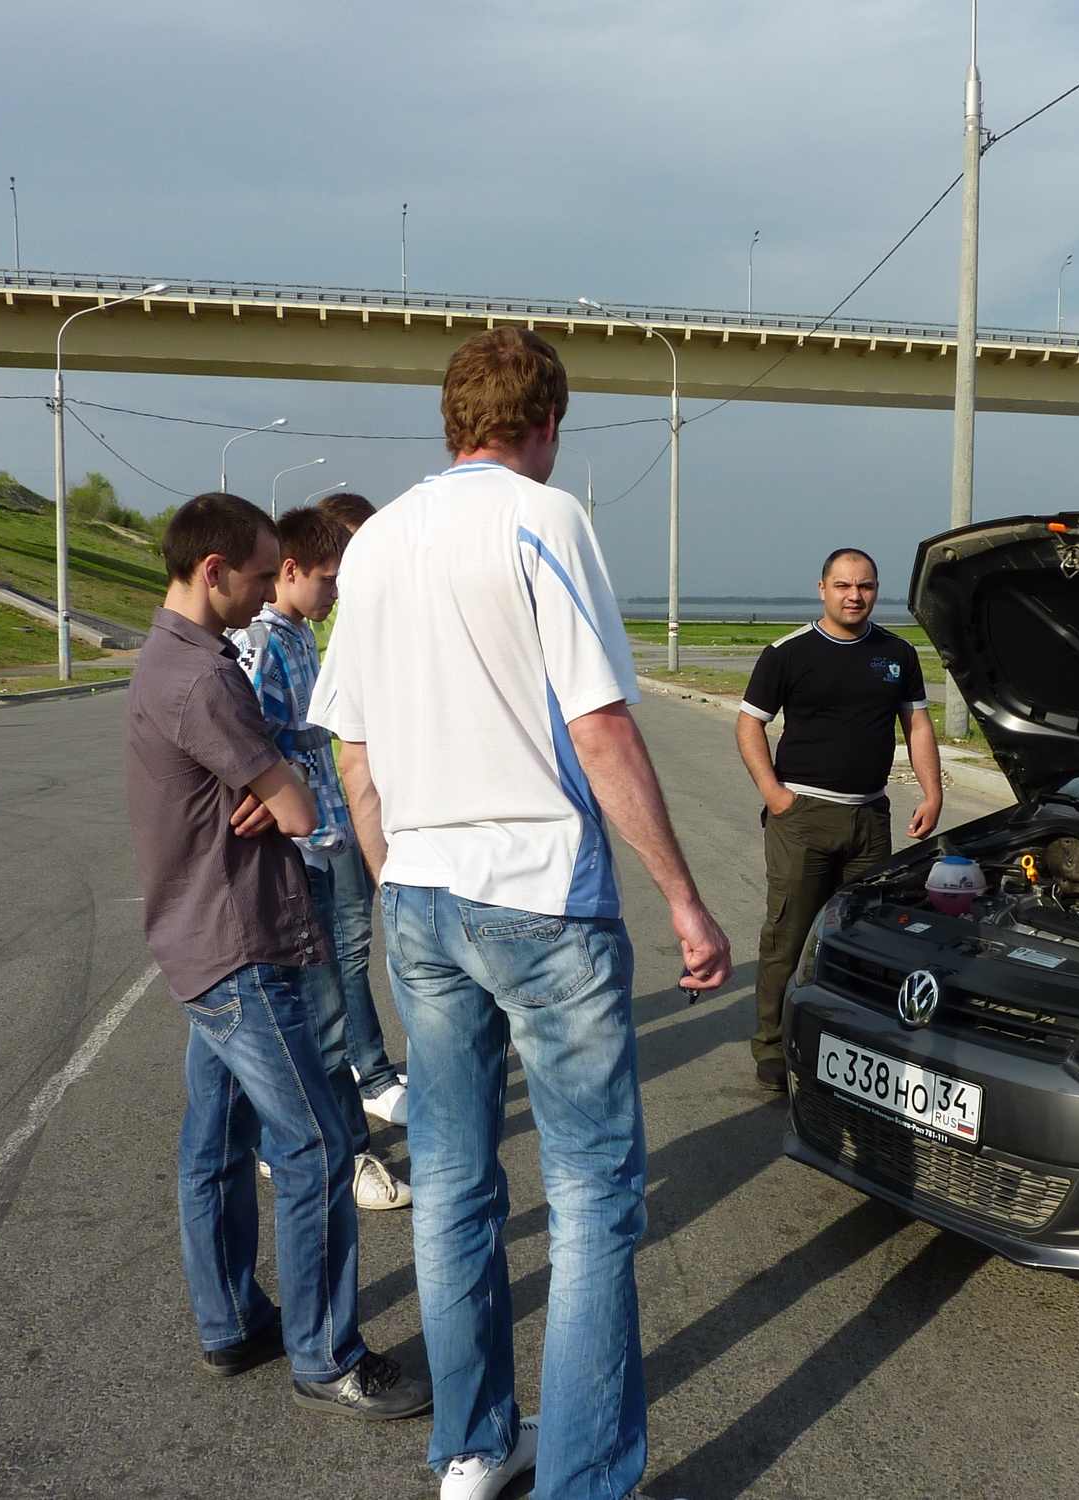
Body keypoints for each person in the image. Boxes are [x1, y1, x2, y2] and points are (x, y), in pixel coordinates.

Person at [312, 327, 731, 1500]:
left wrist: (399, 874)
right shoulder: (544, 519)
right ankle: (583, 1479)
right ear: (544, 423)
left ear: (453, 422)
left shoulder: (375, 542)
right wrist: (684, 898)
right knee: (592, 1198)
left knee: (450, 1186)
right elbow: (599, 729)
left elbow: (352, 750)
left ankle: (472, 1446)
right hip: (539, 892)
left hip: (421, 896)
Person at [122, 491, 431, 1420]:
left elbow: (272, 785)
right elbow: (297, 808)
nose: (268, 593)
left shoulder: (172, 659)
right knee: (320, 1143)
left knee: (216, 1143)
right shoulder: (204, 679)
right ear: (213, 570)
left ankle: (231, 1323)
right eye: (259, 577)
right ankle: (328, 1357)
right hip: (241, 945)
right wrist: (284, 777)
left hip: (198, 940)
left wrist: (273, 775)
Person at [233, 503, 409, 1212]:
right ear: (290, 569)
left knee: (333, 991)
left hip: (328, 831)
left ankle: (325, 1137)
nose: (335, 592)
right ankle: (329, 1149)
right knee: (319, 1006)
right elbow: (246, 738)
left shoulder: (303, 633)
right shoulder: (263, 641)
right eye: (328, 579)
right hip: (300, 849)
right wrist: (275, 803)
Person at [737, 547, 943, 1091]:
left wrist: (933, 792)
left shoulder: (897, 653)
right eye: (844, 585)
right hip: (803, 817)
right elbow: (749, 724)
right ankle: (772, 1047)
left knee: (867, 936)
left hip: (870, 819)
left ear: (876, 590)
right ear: (823, 589)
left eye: (866, 586)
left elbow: (917, 725)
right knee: (789, 935)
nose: (855, 596)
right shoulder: (788, 653)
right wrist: (775, 795)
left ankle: (853, 1042)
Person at [312, 490, 409, 1129]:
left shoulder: (353, 606)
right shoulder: (319, 617)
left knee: (359, 939)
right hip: (336, 800)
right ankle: (368, 1073)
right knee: (350, 943)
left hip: (365, 792)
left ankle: (367, 1064)